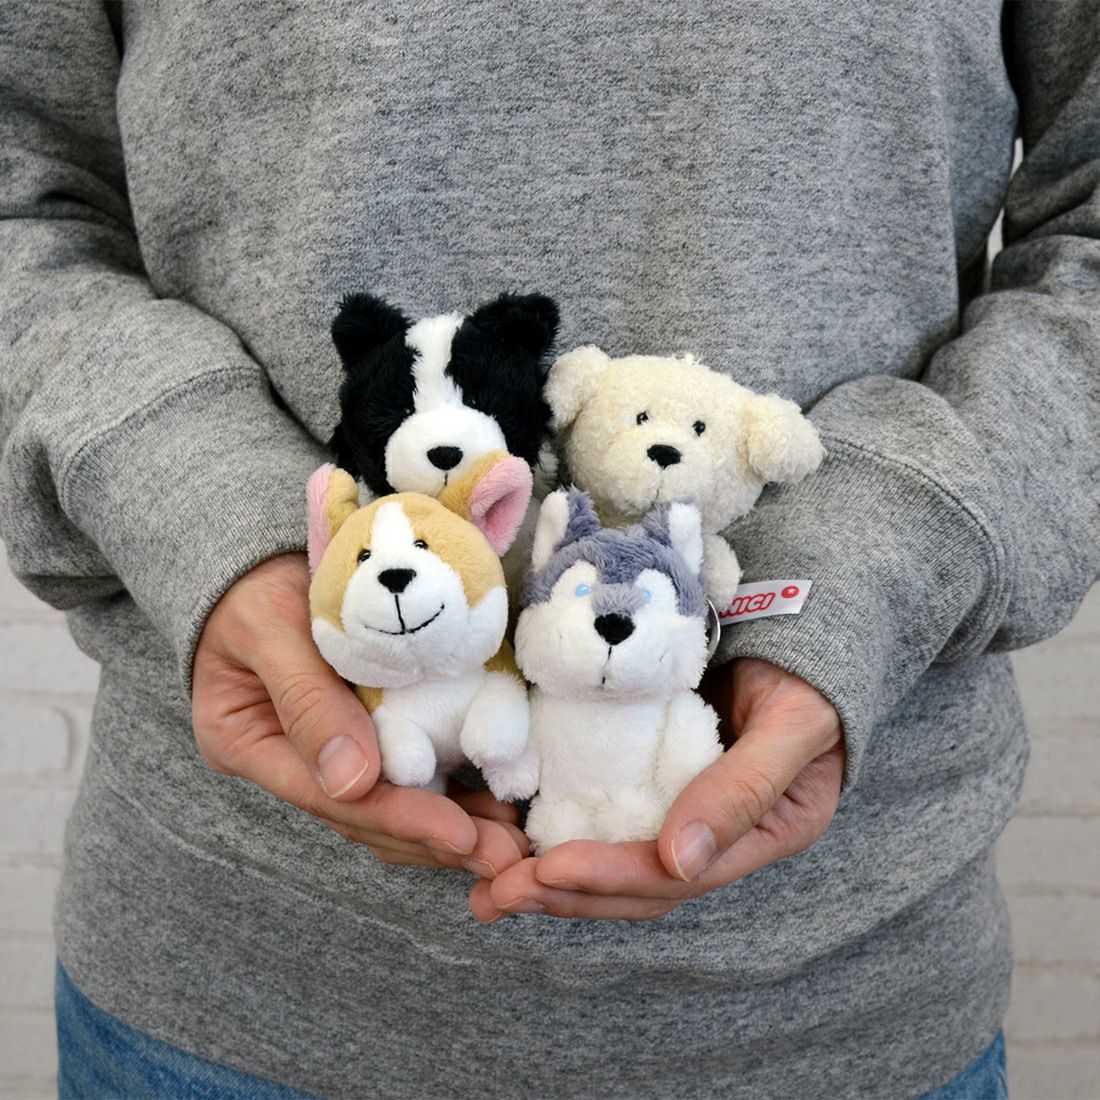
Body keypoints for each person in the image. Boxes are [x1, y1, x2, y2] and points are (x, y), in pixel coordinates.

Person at [1, 2, 1097, 1097]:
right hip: (226, 986)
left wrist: (872, 571)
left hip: (848, 1005)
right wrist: (228, 521)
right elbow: (25, 189)